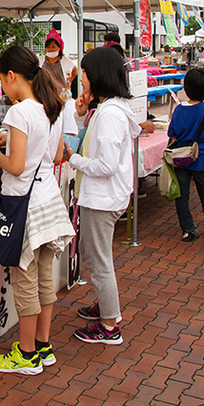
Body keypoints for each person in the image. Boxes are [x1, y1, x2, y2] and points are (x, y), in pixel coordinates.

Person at [0, 46, 74, 374]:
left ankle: (25, 354)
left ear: (11, 76)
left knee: (24, 282)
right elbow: (54, 157)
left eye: (0, 78)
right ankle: (43, 346)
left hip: (26, 207)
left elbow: (17, 167)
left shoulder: (20, 112)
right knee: (44, 280)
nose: (2, 86)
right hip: (50, 202)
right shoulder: (54, 105)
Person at [63, 47, 140, 345]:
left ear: (96, 76)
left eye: (84, 72)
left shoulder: (109, 114)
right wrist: (83, 115)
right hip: (107, 196)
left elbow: (104, 165)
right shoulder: (111, 108)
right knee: (95, 253)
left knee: (98, 260)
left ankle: (109, 325)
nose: (80, 79)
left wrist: (73, 159)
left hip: (102, 197)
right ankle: (104, 305)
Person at [168, 68, 204, 241]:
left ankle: (188, 229)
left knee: (182, 194)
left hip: (181, 157)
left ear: (186, 87)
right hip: (202, 157)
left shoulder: (178, 110)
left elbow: (172, 134)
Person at [39, 28, 77, 95]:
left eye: (53, 47)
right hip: (43, 95)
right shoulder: (40, 60)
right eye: (48, 47)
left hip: (61, 97)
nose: (50, 49)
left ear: (59, 48)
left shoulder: (66, 62)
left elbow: (76, 74)